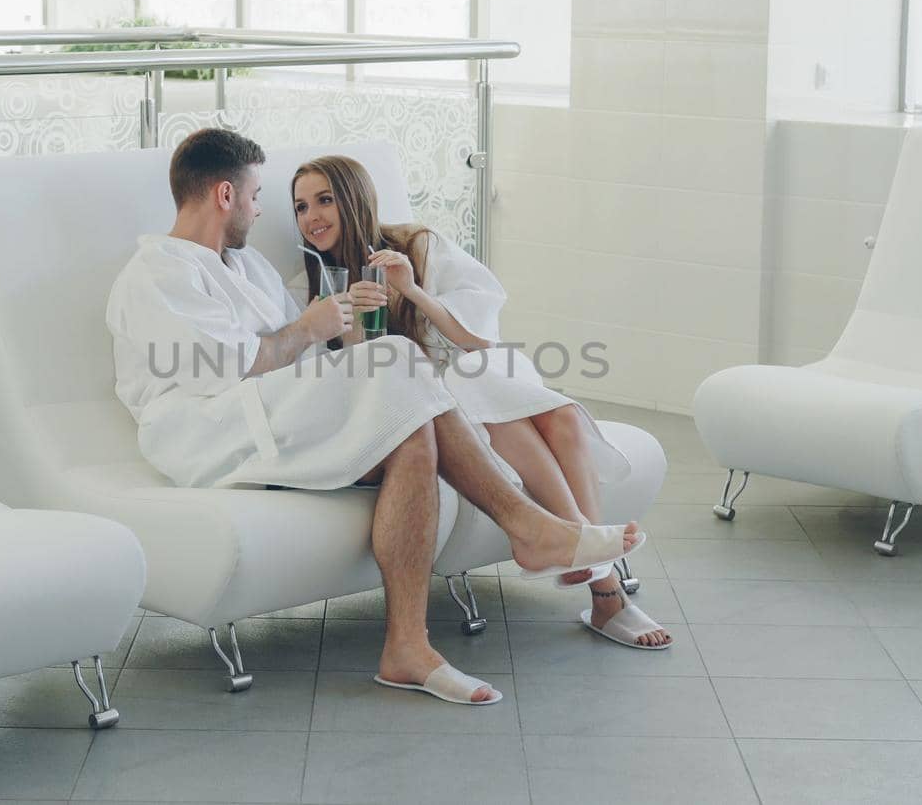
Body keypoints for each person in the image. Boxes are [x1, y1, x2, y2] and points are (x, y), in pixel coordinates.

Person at [106, 128, 642, 706]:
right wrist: (313, 327)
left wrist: (338, 333)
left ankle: (407, 649)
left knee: (410, 433)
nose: (263, 211)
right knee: (396, 362)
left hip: (277, 409)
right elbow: (229, 368)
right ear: (224, 195)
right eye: (259, 195)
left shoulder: (250, 268)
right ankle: (528, 527)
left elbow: (315, 360)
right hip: (209, 430)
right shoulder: (159, 271)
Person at [291, 154, 671, 650]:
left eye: (325, 200)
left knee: (562, 420)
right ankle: (604, 585)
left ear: (354, 198)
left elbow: (478, 339)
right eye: (300, 207)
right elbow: (353, 383)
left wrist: (412, 291)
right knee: (482, 399)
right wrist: (349, 322)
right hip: (435, 403)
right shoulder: (311, 286)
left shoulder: (417, 246)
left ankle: (578, 551)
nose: (312, 217)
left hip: (477, 371)